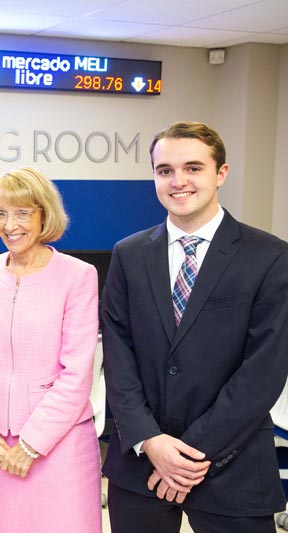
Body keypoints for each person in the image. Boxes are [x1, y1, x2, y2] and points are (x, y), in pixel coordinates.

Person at [101, 121, 288, 532]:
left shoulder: (270, 256)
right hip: (140, 466)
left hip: (232, 464)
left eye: (193, 168)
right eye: (164, 170)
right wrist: (151, 441)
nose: (178, 181)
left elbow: (264, 371)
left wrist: (188, 455)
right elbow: (117, 353)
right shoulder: (128, 254)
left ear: (221, 173)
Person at [0, 167, 101, 532]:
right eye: (0, 213)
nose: (10, 224)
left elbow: (77, 374)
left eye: (22, 212)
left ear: (44, 214)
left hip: (59, 444)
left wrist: (32, 444)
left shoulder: (78, 275)